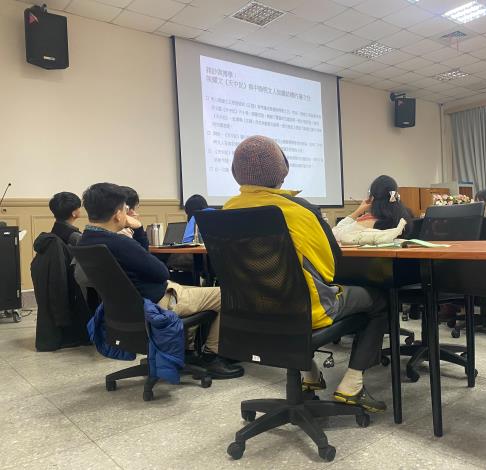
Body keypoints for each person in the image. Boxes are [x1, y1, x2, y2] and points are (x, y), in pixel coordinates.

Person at [224, 135, 388, 413]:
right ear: (282, 171)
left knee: (294, 297)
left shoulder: (227, 211)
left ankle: (310, 376)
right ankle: (351, 385)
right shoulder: (300, 211)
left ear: (235, 172)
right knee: (380, 299)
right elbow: (332, 268)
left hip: (255, 312)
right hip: (304, 313)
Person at [79, 182, 243, 379]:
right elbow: (161, 272)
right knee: (225, 293)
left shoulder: (85, 240)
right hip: (157, 303)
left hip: (127, 308)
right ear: (117, 214)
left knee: (188, 288)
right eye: (125, 209)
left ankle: (188, 351)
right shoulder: (119, 242)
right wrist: (139, 231)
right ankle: (212, 356)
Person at [332, 175, 413, 243]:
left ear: (372, 198)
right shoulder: (405, 218)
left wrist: (357, 212)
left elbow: (334, 233)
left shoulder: (366, 222)